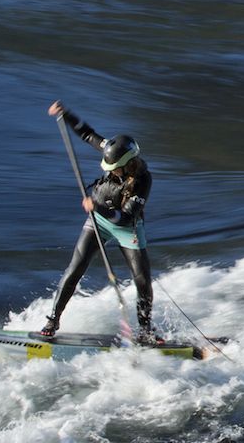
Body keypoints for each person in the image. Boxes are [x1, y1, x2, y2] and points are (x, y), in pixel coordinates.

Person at [40, 100, 159, 345]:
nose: (110, 170)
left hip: (127, 227)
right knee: (75, 269)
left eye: (115, 169)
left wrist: (99, 207)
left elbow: (125, 217)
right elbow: (87, 134)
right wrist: (66, 114)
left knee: (142, 280)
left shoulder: (143, 180)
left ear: (128, 164)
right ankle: (53, 320)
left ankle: (145, 330)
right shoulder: (113, 149)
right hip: (98, 221)